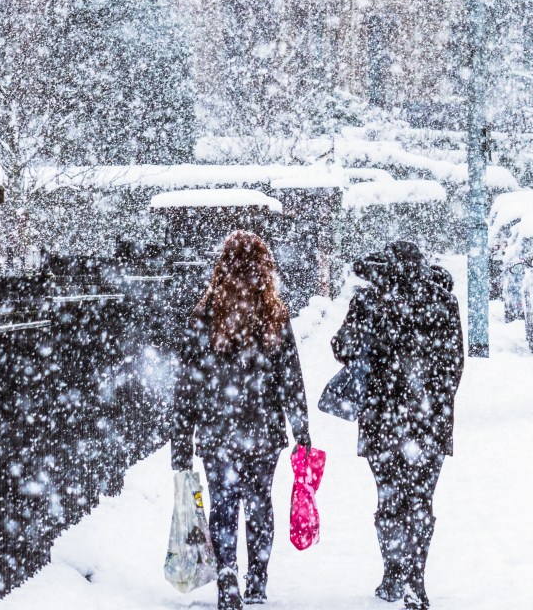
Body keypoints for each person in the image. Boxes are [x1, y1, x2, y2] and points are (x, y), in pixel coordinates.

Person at [171, 230, 312, 610]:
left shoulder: (205, 314)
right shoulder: (275, 314)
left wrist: (181, 439)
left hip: (219, 428)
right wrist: (301, 429)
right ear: (265, 269)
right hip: (263, 429)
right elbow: (290, 378)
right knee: (259, 502)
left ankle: (228, 573)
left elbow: (188, 382)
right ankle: (257, 580)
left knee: (223, 504)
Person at [332, 240, 465, 610]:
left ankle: (394, 573)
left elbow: (342, 348)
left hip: (381, 419)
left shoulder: (370, 302)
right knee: (420, 499)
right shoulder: (443, 302)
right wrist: (433, 404)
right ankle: (415, 580)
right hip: (429, 420)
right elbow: (454, 367)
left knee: (389, 497)